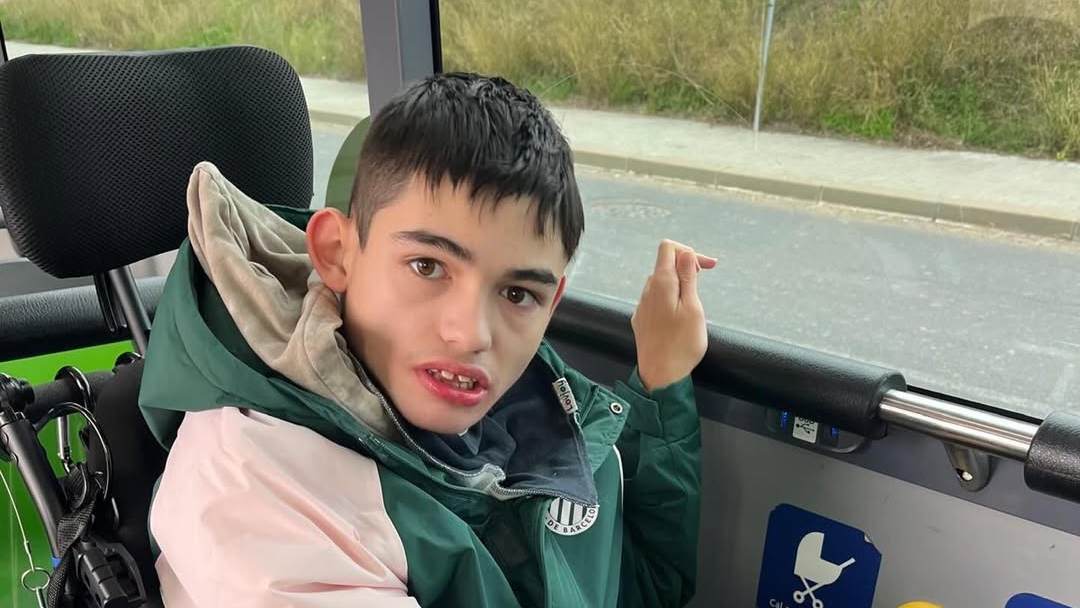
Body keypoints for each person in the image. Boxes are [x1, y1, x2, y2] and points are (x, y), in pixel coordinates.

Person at [138, 72, 715, 607]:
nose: (470, 335)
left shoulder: (533, 408)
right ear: (337, 253)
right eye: (427, 267)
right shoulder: (254, 491)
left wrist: (661, 382)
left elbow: (633, 589)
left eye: (517, 294)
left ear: (552, 301)